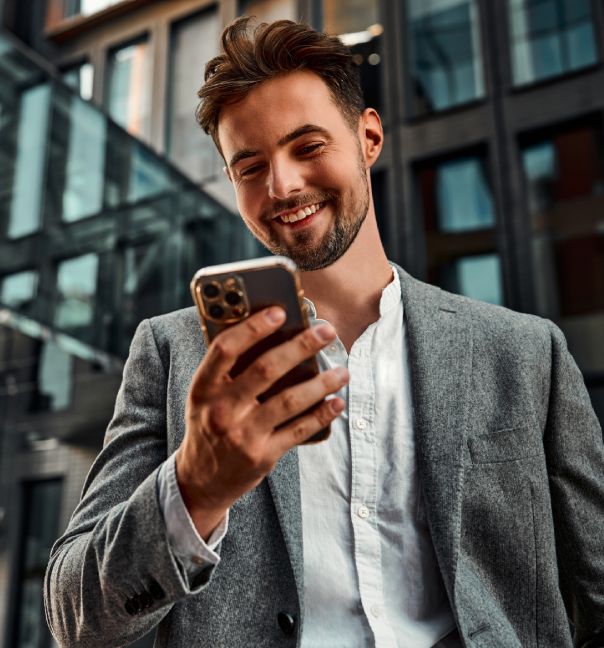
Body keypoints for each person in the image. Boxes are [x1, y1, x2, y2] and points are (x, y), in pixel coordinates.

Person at [45, 17, 604, 648]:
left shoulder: (525, 353)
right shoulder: (173, 354)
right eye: (250, 166)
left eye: (307, 147)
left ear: (368, 137)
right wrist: (195, 490)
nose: (281, 185)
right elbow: (74, 617)